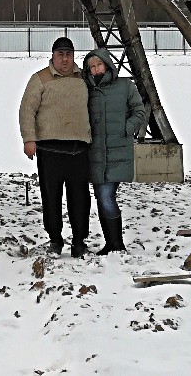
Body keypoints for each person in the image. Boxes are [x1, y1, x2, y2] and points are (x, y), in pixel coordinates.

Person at [19, 37, 91, 256]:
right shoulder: (40, 79)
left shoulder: (84, 79)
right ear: (53, 56)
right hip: (50, 150)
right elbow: (27, 110)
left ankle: (79, 241)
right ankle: (55, 239)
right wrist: (29, 138)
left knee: (80, 198)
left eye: (68, 54)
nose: (65, 59)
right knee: (51, 197)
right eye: (60, 55)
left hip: (79, 148)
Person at [82, 48, 147, 255]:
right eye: (91, 67)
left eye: (98, 65)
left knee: (106, 196)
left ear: (107, 64)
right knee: (102, 198)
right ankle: (112, 243)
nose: (95, 69)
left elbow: (139, 111)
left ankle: (116, 244)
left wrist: (125, 129)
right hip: (95, 155)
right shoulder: (86, 90)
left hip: (117, 153)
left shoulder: (125, 86)